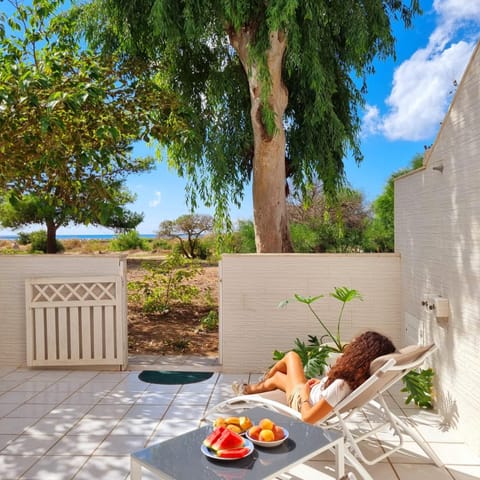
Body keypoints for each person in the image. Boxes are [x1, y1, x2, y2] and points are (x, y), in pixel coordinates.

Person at [232, 331, 396, 424]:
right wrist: (323, 384)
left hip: (302, 400)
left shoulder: (340, 385)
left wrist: (304, 395)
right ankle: (249, 389)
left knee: (291, 357)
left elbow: (308, 418)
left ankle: (250, 388)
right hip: (311, 392)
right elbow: (331, 393)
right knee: (277, 379)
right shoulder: (357, 378)